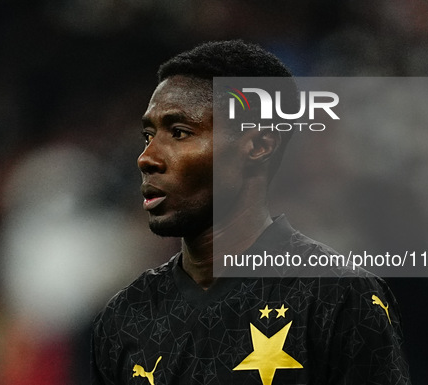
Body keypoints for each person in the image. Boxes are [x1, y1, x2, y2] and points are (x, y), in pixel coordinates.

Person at [91, 40, 411, 385]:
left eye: (180, 133)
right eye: (148, 136)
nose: (147, 158)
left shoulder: (339, 297)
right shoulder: (126, 314)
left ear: (258, 146)